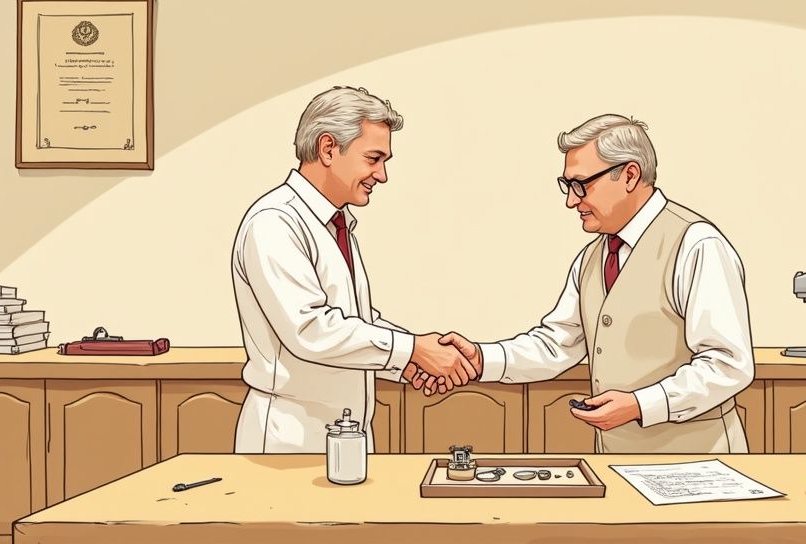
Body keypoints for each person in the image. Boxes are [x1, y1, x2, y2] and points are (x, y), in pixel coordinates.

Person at [420, 114, 755, 453]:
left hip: (699, 465)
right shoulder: (592, 258)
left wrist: (641, 405)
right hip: (614, 462)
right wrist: (480, 359)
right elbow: (557, 343)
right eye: (567, 186)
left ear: (629, 175)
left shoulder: (697, 244)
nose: (571, 200)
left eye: (582, 184)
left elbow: (728, 363)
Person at [231, 86, 476, 453]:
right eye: (373, 158)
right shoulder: (274, 222)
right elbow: (310, 330)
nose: (382, 175)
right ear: (328, 148)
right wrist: (411, 351)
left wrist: (407, 362)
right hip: (289, 442)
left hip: (345, 435)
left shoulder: (334, 223)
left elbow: (355, 319)